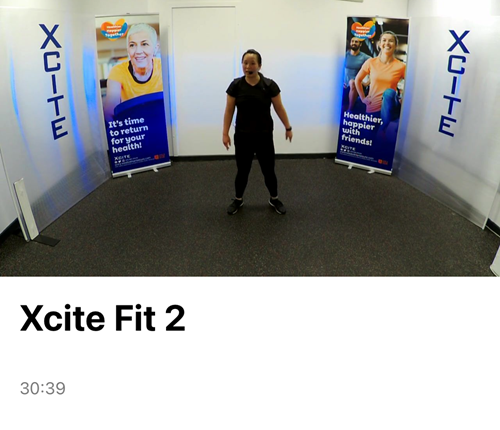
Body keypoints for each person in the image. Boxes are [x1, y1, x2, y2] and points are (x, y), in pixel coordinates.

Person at [223, 49, 292, 215]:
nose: (248, 66)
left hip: (264, 136)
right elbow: (229, 110)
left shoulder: (269, 86)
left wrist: (288, 127)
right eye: (245, 63)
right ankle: (238, 199)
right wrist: (225, 133)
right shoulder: (235, 86)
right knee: (242, 171)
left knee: (268, 171)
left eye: (252, 63)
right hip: (243, 136)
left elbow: (279, 108)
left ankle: (274, 198)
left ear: (259, 66)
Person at [103, 23, 163, 122]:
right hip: (133, 125)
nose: (138, 51)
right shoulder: (118, 71)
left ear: (155, 48)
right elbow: (110, 110)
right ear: (128, 50)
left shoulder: (164, 67)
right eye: (132, 45)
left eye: (144, 44)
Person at [354, 31, 406, 133]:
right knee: (368, 138)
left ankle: (384, 128)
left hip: (390, 108)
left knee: (389, 92)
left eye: (391, 41)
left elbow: (410, 86)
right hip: (372, 106)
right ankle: (382, 131)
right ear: (379, 44)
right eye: (384, 40)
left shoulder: (401, 66)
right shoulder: (371, 62)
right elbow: (358, 80)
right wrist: (363, 98)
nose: (387, 43)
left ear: (395, 45)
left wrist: (403, 99)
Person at [343, 36, 371, 111]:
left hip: (357, 84)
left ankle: (350, 110)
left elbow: (375, 68)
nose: (354, 43)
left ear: (360, 44)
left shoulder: (364, 57)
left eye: (356, 42)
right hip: (345, 84)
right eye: (352, 41)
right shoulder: (345, 55)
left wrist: (367, 83)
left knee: (352, 82)